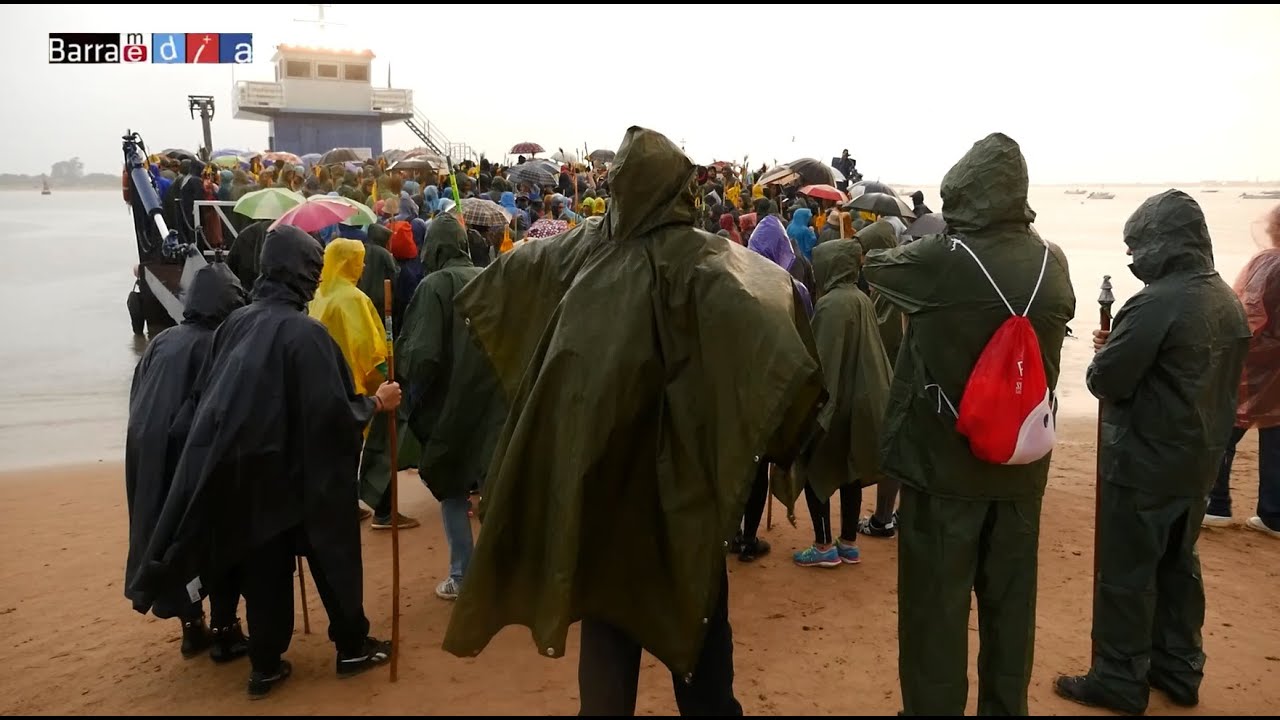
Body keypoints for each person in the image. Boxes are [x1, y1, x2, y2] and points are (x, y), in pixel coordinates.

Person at [440, 126, 825, 716]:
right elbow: (774, 325)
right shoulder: (705, 263)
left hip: (606, 486)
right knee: (696, 638)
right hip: (683, 495)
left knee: (609, 633)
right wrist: (790, 435)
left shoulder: (585, 251)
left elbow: (508, 279)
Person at [129, 226, 401, 699]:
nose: (316, 280)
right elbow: (331, 413)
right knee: (333, 558)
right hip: (302, 475)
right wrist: (378, 402)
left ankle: (265, 665)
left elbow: (205, 397)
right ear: (297, 273)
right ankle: (352, 646)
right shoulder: (307, 334)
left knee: (265, 571)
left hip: (245, 475)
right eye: (312, 271)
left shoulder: (236, 323)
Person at [863, 132, 1076, 716]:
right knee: (1011, 612)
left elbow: (874, 265)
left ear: (961, 190)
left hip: (943, 469)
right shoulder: (1053, 260)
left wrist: (906, 231)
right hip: (1021, 466)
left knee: (935, 614)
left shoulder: (941, 259)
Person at [1054, 190, 1251, 714]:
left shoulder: (1157, 302)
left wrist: (1106, 353)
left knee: (1127, 572)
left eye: (1137, 245)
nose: (1132, 257)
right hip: (1199, 459)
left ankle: (1119, 678)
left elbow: (1107, 381)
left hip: (1144, 461)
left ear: (1165, 242)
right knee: (1178, 566)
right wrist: (1121, 345)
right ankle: (1179, 669)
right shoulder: (1223, 298)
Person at [124, 263, 249, 661]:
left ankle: (192, 625)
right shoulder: (219, 345)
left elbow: (138, 396)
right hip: (194, 460)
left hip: (148, 454)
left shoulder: (161, 341)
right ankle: (226, 629)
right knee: (219, 539)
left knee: (171, 540)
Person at [398, 212, 507, 601]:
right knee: (494, 486)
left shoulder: (434, 286)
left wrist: (406, 380)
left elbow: (421, 355)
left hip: (452, 404)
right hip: (495, 400)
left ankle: (463, 575)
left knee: (452, 487)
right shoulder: (490, 277)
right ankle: (504, 575)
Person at [787, 240, 891, 568]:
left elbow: (821, 361)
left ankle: (822, 547)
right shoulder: (862, 299)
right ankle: (848, 543)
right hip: (861, 400)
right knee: (849, 471)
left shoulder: (831, 305)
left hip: (836, 404)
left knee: (815, 469)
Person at [309, 238, 419, 531]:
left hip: (327, 384)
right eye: (359, 260)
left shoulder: (319, 295)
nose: (364, 265)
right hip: (360, 385)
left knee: (338, 450)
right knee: (380, 445)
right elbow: (368, 347)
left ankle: (343, 505)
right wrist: (388, 377)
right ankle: (384, 510)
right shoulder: (353, 298)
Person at [1205, 204, 1280, 536]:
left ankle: (1215, 504)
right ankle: (1274, 515)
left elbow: (1247, 313)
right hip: (1275, 368)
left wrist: (1221, 350)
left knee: (1223, 428)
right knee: (1276, 434)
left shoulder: (1269, 263)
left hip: (1255, 364)